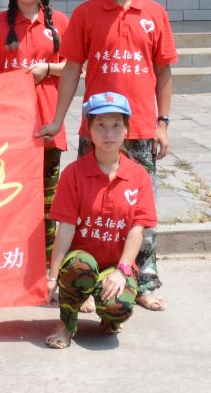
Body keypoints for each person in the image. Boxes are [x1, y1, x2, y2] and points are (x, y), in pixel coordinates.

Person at [37, 0, 177, 311]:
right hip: (96, 131)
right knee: (89, 208)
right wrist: (58, 120)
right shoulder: (85, 14)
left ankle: (143, 280)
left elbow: (164, 71)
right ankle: (81, 279)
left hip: (140, 130)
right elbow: (71, 69)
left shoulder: (154, 14)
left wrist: (163, 123)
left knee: (140, 211)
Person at [0, 0, 70, 259]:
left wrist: (47, 69)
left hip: (48, 124)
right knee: (6, 201)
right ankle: (7, 263)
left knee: (47, 205)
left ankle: (46, 267)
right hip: (8, 131)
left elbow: (75, 67)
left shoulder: (59, 22)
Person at [45, 91, 156, 349]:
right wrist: (52, 277)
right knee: (80, 265)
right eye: (101, 125)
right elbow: (65, 229)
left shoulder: (138, 176)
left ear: (126, 130)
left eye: (116, 125)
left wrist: (121, 271)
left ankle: (109, 319)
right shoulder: (74, 174)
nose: (109, 133)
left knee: (120, 306)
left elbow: (137, 230)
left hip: (116, 265)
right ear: (89, 131)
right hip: (81, 263)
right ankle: (66, 324)